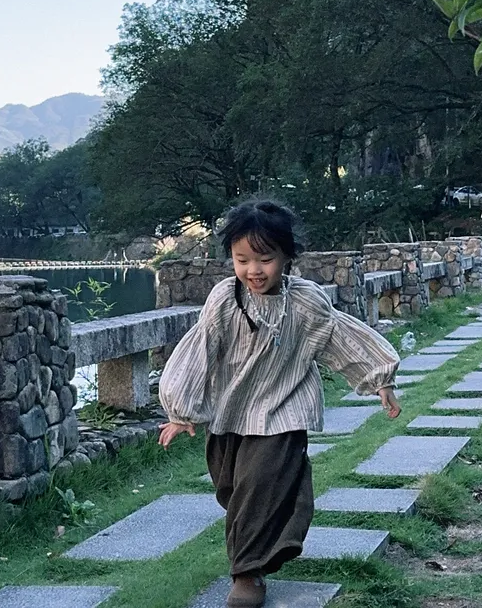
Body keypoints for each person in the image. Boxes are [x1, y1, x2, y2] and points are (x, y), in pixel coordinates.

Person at [158, 200, 401, 608]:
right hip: (231, 413)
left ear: (287, 257)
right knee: (234, 492)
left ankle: (247, 574)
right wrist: (182, 409)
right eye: (242, 259)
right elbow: (200, 350)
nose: (254, 270)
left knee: (261, 487)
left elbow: (341, 339)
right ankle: (255, 554)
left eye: (265, 259)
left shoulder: (306, 302)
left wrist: (379, 379)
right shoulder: (224, 299)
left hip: (284, 409)